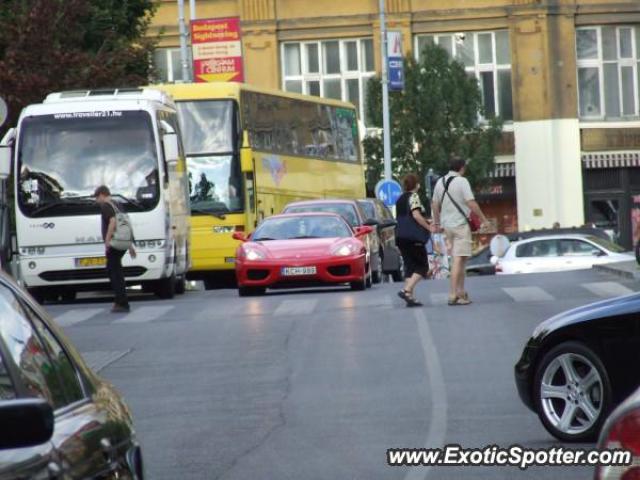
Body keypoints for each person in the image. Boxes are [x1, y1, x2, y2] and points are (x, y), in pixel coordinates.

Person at [432, 156, 487, 306]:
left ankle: (461, 292)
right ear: (462, 168)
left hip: (447, 226)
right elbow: (471, 203)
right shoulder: (462, 182)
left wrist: (437, 222)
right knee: (458, 259)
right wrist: (483, 219)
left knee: (461, 259)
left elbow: (435, 204)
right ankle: (452, 294)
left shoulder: (439, 182)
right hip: (460, 225)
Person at [94, 185, 136, 313]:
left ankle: (121, 302)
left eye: (97, 197)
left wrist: (107, 240)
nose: (96, 201)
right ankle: (121, 301)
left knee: (114, 273)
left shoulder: (106, 206)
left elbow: (112, 222)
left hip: (114, 243)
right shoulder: (118, 204)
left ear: (102, 194)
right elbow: (125, 225)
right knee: (117, 271)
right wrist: (130, 245)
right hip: (122, 243)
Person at [395, 173, 434, 307]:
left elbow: (405, 217)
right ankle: (406, 290)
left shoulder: (400, 199)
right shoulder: (414, 196)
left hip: (400, 236)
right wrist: (429, 226)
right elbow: (416, 216)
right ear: (416, 185)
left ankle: (409, 297)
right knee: (423, 266)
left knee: (410, 267)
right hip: (413, 237)